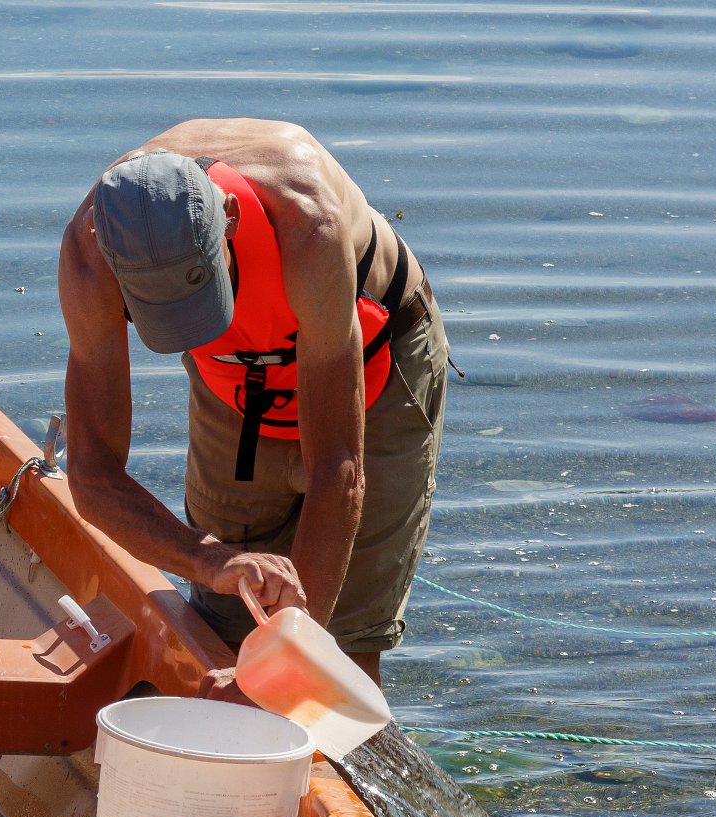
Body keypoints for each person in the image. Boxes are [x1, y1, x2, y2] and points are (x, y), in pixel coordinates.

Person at [57, 119, 449, 688]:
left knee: (344, 637)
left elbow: (338, 468)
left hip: (373, 358)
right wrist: (208, 560)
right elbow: (92, 480)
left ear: (231, 219)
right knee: (229, 611)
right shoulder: (89, 251)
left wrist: (288, 658)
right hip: (236, 379)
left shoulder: (308, 225)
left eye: (200, 294)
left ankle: (328, 731)